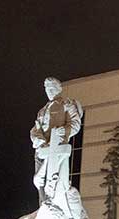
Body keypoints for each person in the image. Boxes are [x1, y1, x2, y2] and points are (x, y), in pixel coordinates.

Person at [30, 77, 82, 205]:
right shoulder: (42, 111)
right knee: (39, 183)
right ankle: (43, 207)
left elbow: (75, 124)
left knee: (54, 183)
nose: (49, 91)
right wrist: (40, 140)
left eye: (52, 88)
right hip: (42, 149)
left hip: (57, 147)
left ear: (59, 90)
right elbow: (35, 129)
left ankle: (55, 207)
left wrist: (63, 131)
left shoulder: (67, 105)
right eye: (47, 89)